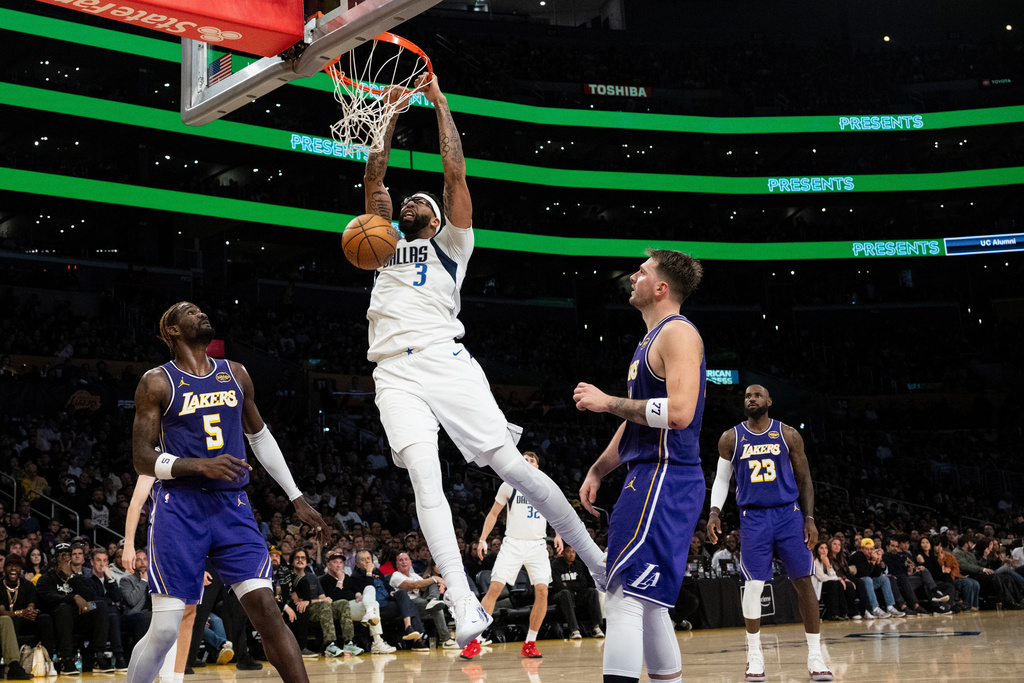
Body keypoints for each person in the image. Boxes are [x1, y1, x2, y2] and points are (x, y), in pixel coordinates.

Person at [360, 73, 606, 648]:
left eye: (422, 203)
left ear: (438, 219)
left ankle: (596, 561)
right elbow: (375, 177)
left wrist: (439, 104)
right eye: (407, 201)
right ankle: (463, 600)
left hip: (445, 359)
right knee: (424, 476)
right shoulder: (383, 242)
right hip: (391, 370)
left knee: (513, 468)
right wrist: (389, 112)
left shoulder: (452, 245)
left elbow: (454, 174)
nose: (411, 203)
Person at [125, 301, 329, 683]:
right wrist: (198, 465)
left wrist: (296, 495)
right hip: (179, 507)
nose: (200, 313)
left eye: (201, 310)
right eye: (189, 312)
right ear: (172, 330)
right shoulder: (157, 381)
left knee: (268, 613)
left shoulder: (236, 373)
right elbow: (141, 458)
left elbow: (260, 437)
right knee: (166, 629)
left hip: (231, 507)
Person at [574, 249, 707, 683]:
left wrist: (606, 402)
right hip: (653, 474)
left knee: (624, 596)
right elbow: (639, 420)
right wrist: (599, 469)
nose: (634, 276)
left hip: (666, 473)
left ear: (662, 288)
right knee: (647, 601)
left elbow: (680, 413)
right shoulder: (650, 339)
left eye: (643, 271)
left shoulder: (678, 333)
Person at [706, 384, 832, 682]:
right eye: (747, 396)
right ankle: (754, 655)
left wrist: (810, 518)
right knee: (753, 585)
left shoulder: (788, 434)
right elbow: (722, 480)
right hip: (753, 517)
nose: (751, 399)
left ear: (769, 401)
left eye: (757, 395)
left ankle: (815, 655)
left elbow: (805, 479)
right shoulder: (730, 438)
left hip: (788, 514)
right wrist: (714, 512)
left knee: (804, 581)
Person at [462, 451, 561, 660]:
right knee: (494, 589)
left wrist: (559, 535)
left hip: (537, 545)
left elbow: (557, 513)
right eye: (524, 459)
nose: (527, 462)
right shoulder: (509, 485)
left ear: (537, 466)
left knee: (542, 591)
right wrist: (482, 538)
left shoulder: (546, 487)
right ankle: (475, 641)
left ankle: (530, 643)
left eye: (532, 460)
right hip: (513, 543)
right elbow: (493, 513)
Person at [550, 544, 603, 641]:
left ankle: (596, 627)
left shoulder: (578, 564)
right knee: (565, 593)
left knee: (592, 591)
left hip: (575, 595)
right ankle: (574, 630)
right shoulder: (555, 564)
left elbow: (583, 583)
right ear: (563, 553)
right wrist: (573, 586)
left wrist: (567, 584)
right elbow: (557, 585)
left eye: (573, 552)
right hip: (559, 597)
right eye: (568, 552)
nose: (571, 554)